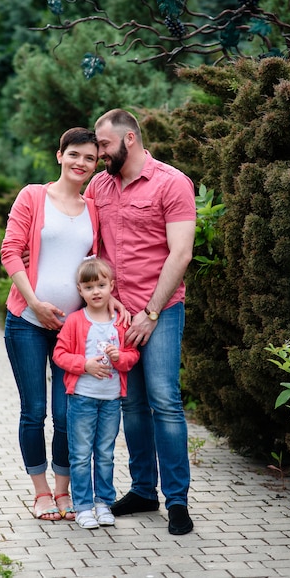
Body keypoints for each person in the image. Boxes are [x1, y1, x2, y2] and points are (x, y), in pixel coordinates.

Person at [84, 109, 196, 536]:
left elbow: (180, 253)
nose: (99, 152)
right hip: (118, 314)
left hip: (161, 310)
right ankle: (144, 490)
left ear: (129, 139)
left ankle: (178, 501)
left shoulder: (172, 183)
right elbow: (94, 249)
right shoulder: (100, 185)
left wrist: (150, 312)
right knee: (131, 403)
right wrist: (110, 300)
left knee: (165, 400)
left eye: (104, 144)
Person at [0, 127, 100, 521]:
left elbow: (99, 266)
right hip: (26, 320)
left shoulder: (93, 207)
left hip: (71, 330)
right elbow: (11, 251)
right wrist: (35, 303)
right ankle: (40, 492)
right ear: (60, 155)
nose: (81, 163)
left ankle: (64, 491)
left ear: (95, 165)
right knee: (34, 411)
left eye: (90, 158)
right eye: (74, 154)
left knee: (65, 413)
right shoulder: (33, 196)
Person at [52, 257, 139, 529]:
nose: (96, 291)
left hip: (112, 400)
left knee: (105, 453)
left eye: (101, 285)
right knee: (79, 454)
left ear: (111, 286)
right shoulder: (76, 321)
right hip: (81, 399)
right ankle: (83, 506)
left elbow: (132, 355)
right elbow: (59, 354)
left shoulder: (121, 322)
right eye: (89, 287)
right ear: (80, 290)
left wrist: (119, 358)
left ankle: (103, 503)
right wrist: (84, 365)